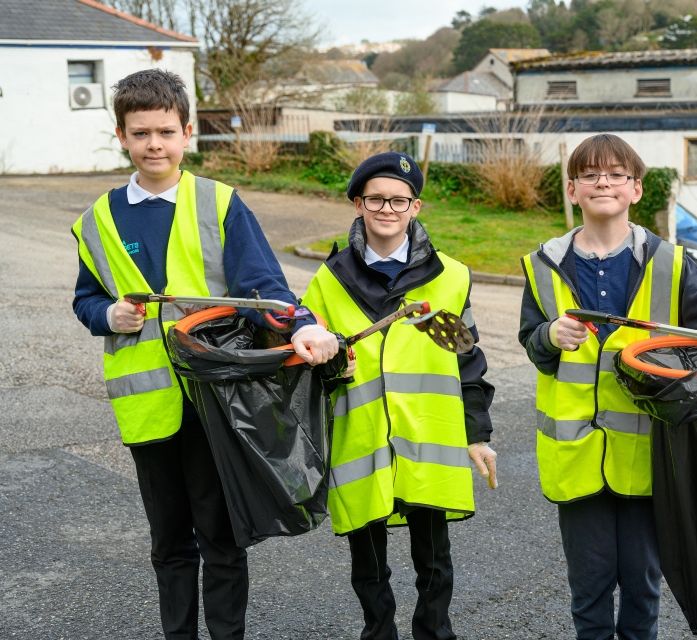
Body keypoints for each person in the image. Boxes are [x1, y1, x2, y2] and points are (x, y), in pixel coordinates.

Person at [71, 69, 343, 640]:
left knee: (220, 538)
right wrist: (107, 315)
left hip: (216, 403)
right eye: (141, 133)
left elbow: (263, 285)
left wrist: (303, 327)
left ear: (187, 133)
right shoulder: (96, 219)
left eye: (165, 132)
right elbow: (86, 297)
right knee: (168, 542)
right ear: (120, 135)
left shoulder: (219, 203)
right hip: (146, 409)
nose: (154, 145)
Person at [518, 134, 697, 640]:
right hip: (575, 461)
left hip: (649, 462)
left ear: (636, 189)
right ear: (571, 189)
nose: (602, 181)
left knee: (642, 588)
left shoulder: (669, 263)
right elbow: (532, 343)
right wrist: (548, 335)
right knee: (588, 590)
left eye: (616, 174)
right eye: (589, 174)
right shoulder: (542, 264)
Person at [300, 152, 498, 640]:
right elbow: (305, 361)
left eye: (399, 200)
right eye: (376, 199)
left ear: (417, 207)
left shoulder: (449, 277)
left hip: (428, 438)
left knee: (434, 561)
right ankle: (379, 633)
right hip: (360, 440)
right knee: (368, 567)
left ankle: (435, 633)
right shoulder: (329, 281)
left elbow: (467, 361)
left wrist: (477, 434)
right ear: (357, 204)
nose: (387, 209)